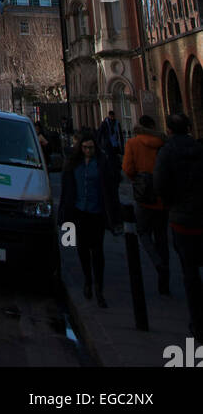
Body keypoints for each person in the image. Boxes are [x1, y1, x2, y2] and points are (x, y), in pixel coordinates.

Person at [154, 112, 203, 344]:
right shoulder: (200, 149)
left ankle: (198, 322)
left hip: (182, 220)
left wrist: (170, 204)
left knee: (190, 273)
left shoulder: (167, 152)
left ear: (170, 130)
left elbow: (160, 184)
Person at [59, 130, 121, 307]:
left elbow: (112, 185)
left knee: (98, 250)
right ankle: (87, 280)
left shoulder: (102, 163)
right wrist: (64, 213)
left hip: (97, 212)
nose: (88, 151)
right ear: (80, 148)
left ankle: (98, 287)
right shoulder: (73, 163)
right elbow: (66, 189)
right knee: (81, 248)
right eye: (85, 147)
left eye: (91, 148)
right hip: (78, 211)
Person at [122, 115, 170, 294]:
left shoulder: (133, 143)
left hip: (143, 197)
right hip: (161, 197)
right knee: (162, 236)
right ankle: (164, 280)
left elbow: (127, 168)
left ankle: (157, 263)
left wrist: (138, 181)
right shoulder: (163, 143)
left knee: (142, 232)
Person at [96, 109, 125, 180]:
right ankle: (113, 173)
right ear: (109, 116)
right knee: (111, 159)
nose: (112, 117)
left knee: (116, 159)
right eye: (111, 116)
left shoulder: (117, 123)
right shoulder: (105, 123)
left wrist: (121, 144)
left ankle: (116, 173)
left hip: (115, 144)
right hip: (108, 144)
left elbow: (119, 133)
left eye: (113, 116)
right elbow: (100, 133)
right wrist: (99, 143)